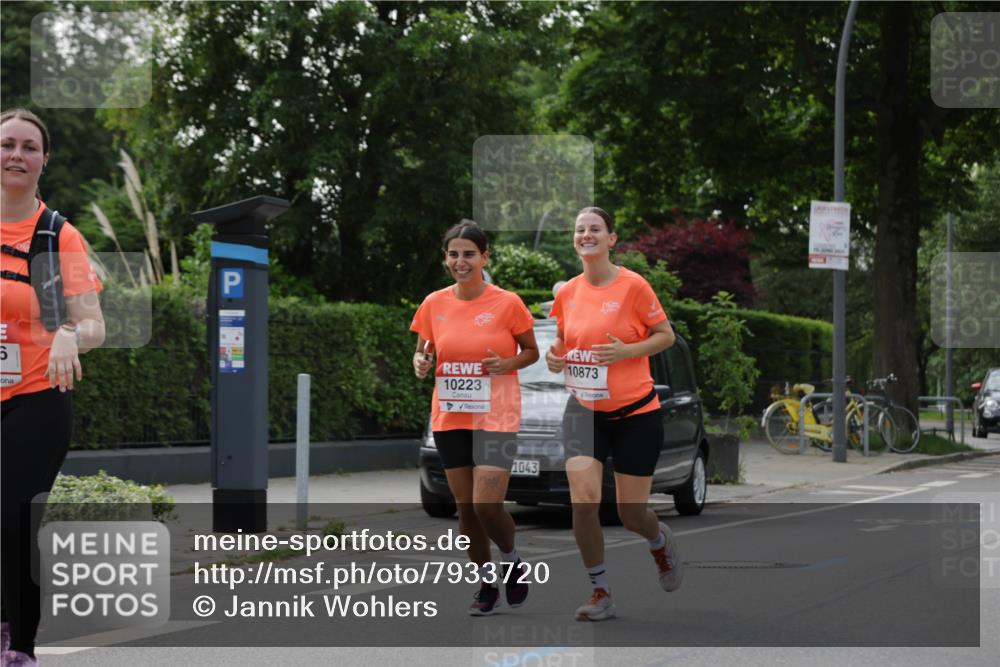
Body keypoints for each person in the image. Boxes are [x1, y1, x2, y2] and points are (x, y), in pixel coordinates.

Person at [1, 108, 105, 666]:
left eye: (29, 147)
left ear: (44, 160)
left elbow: (94, 324)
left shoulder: (57, 235)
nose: (16, 155)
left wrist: (69, 332)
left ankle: (20, 648)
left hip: (37, 398)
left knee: (15, 517)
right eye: (7, 144)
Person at [545, 206, 682, 621]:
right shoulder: (567, 292)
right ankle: (600, 591)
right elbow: (564, 345)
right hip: (584, 410)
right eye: (580, 230)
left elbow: (666, 336)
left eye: (594, 229)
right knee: (584, 502)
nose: (586, 235)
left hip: (636, 413)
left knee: (630, 514)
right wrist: (555, 359)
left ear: (611, 239)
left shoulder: (634, 286)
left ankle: (658, 540)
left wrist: (626, 351)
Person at [410, 220, 539, 615]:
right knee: (465, 508)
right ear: (445, 258)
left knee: (487, 505)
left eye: (469, 254)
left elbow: (530, 352)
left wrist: (507, 363)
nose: (461, 261)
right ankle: (486, 583)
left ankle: (513, 561)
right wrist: (420, 361)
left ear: (484, 257)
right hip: (451, 416)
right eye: (454, 254)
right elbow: (424, 350)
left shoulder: (508, 302)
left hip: (496, 416)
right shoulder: (434, 303)